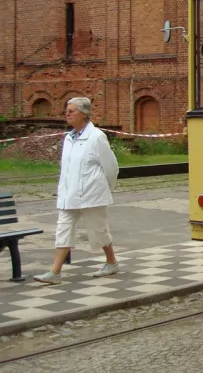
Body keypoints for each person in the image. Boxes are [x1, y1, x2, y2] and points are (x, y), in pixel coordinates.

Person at [34, 97, 120, 285]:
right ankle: (55, 272)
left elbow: (111, 167)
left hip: (91, 194)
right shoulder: (68, 138)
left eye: (72, 110)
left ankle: (111, 262)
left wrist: (106, 188)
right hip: (69, 195)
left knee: (98, 230)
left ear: (84, 114)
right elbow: (66, 169)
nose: (67, 113)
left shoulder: (96, 137)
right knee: (63, 230)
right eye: (67, 110)